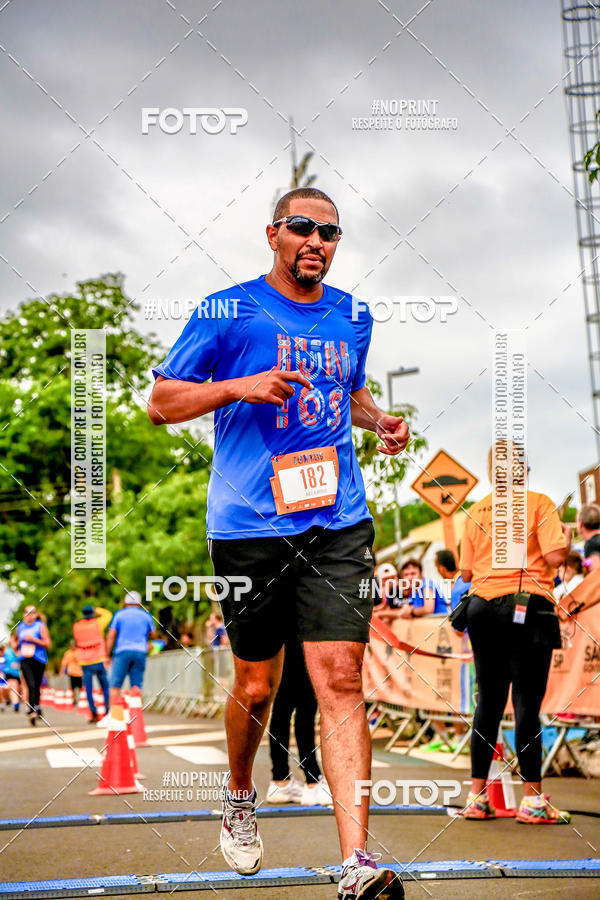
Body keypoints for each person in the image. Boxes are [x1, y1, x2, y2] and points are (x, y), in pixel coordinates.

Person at [148, 187, 409, 899]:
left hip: (337, 519)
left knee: (342, 680)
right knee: (258, 684)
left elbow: (345, 390)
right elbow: (163, 402)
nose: (316, 240)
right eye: (302, 227)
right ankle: (238, 796)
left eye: (329, 231)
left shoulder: (354, 315)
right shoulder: (226, 309)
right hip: (248, 524)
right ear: (273, 234)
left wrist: (378, 418)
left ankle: (357, 865)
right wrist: (240, 386)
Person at [458, 443, 572, 824]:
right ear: (523, 468)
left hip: (482, 605)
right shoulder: (540, 502)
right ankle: (532, 800)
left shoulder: (476, 510)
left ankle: (476, 797)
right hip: (528, 605)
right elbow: (556, 557)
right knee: (526, 702)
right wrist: (567, 540)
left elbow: (467, 573)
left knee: (487, 702)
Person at [267, 637, 332, 807]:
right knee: (305, 701)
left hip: (277, 631)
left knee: (282, 704)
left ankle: (280, 778)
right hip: (300, 627)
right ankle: (312, 781)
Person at [105, 591, 155, 713]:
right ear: (139, 603)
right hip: (140, 652)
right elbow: (153, 634)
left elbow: (111, 635)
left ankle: (114, 717)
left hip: (122, 652)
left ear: (125, 602)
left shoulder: (119, 615)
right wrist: (148, 641)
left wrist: (107, 654)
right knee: (136, 687)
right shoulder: (146, 615)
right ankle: (136, 718)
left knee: (115, 686)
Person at [73, 605, 112, 724]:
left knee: (88, 688)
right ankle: (107, 711)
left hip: (84, 661)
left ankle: (94, 713)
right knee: (105, 686)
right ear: (92, 613)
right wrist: (98, 610)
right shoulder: (97, 623)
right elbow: (108, 615)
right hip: (98, 659)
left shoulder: (77, 626)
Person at [17, 605, 51, 725]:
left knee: (36, 685)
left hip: (39, 659)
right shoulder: (20, 627)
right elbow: (15, 641)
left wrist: (33, 640)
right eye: (27, 612)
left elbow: (47, 643)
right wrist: (15, 645)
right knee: (30, 684)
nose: (29, 614)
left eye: (32, 612)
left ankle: (37, 706)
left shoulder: (40, 626)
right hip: (24, 659)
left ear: (36, 614)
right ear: (24, 614)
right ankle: (32, 710)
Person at [60, 641, 83, 709]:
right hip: (72, 672)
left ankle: (81, 699)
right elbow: (64, 663)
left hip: (80, 673)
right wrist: (62, 671)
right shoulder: (68, 653)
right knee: (73, 687)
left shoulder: (79, 652)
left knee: (80, 687)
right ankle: (74, 700)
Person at [3, 634, 21, 712]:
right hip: (9, 673)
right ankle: (15, 703)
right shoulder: (7, 651)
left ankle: (11, 701)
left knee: (14, 689)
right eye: (13, 641)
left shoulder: (21, 651)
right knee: (13, 687)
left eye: (15, 641)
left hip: (20, 674)